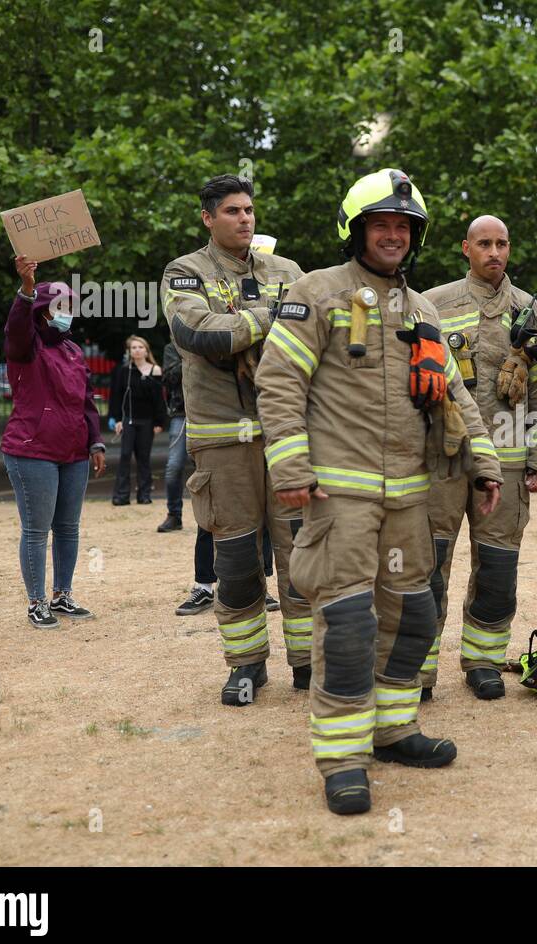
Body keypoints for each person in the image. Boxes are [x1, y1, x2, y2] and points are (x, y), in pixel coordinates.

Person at [256, 168, 502, 815]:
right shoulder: (315, 293)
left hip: (410, 499)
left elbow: (455, 395)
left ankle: (392, 730)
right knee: (347, 624)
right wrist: (290, 470)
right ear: (355, 229)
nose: (393, 235)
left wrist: (486, 465)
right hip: (339, 497)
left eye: (403, 226)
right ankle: (341, 758)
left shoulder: (421, 309)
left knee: (412, 617)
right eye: (381, 224)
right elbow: (278, 385)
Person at [162, 174, 312, 704]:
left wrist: (244, 324)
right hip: (223, 444)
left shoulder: (288, 272)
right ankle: (246, 665)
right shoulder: (185, 272)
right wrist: (271, 318)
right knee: (236, 562)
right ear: (208, 218)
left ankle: (308, 664)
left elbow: (316, 333)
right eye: (232, 211)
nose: (245, 219)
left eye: (249, 210)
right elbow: (198, 334)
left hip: (286, 437)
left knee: (302, 558)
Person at [422, 215, 537, 700]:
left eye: (502, 243)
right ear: (466, 248)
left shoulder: (529, 309)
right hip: (442, 458)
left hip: (505, 461)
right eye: (484, 243)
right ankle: (417, 669)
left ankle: (482, 661)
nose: (494, 252)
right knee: (427, 564)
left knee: (498, 567)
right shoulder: (433, 304)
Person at [2, 256, 106, 628]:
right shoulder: (26, 346)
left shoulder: (73, 351)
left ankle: (63, 596)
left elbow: (86, 400)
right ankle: (36, 601)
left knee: (68, 528)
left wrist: (95, 443)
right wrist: (27, 289)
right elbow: (16, 328)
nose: (68, 313)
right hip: (32, 450)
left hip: (73, 452)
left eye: (71, 307)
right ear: (44, 311)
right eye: (61, 306)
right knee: (36, 529)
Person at [109, 335, 167, 506]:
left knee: (144, 458)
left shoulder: (155, 370)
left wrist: (159, 422)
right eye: (133, 347)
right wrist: (117, 419)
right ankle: (121, 495)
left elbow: (159, 400)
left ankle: (144, 494)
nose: (137, 350)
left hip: (147, 421)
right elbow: (116, 397)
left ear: (146, 350)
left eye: (140, 347)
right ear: (129, 351)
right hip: (128, 420)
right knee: (125, 455)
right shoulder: (123, 371)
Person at [157, 341, 187, 531]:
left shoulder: (211, 340)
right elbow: (170, 378)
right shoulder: (172, 348)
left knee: (211, 466)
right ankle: (174, 514)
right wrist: (192, 356)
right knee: (174, 466)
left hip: (209, 411)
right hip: (181, 413)